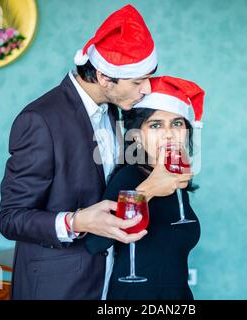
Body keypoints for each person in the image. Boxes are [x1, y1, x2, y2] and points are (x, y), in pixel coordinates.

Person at [0, 6, 193, 300]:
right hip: (59, 287)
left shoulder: (117, 110)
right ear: (104, 77)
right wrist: (76, 222)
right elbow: (11, 218)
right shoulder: (40, 120)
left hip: (113, 282)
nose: (145, 90)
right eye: (137, 81)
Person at [85, 76, 205, 300]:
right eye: (156, 125)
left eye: (177, 124)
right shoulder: (129, 178)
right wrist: (147, 190)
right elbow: (95, 243)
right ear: (138, 137)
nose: (169, 134)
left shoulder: (177, 180)